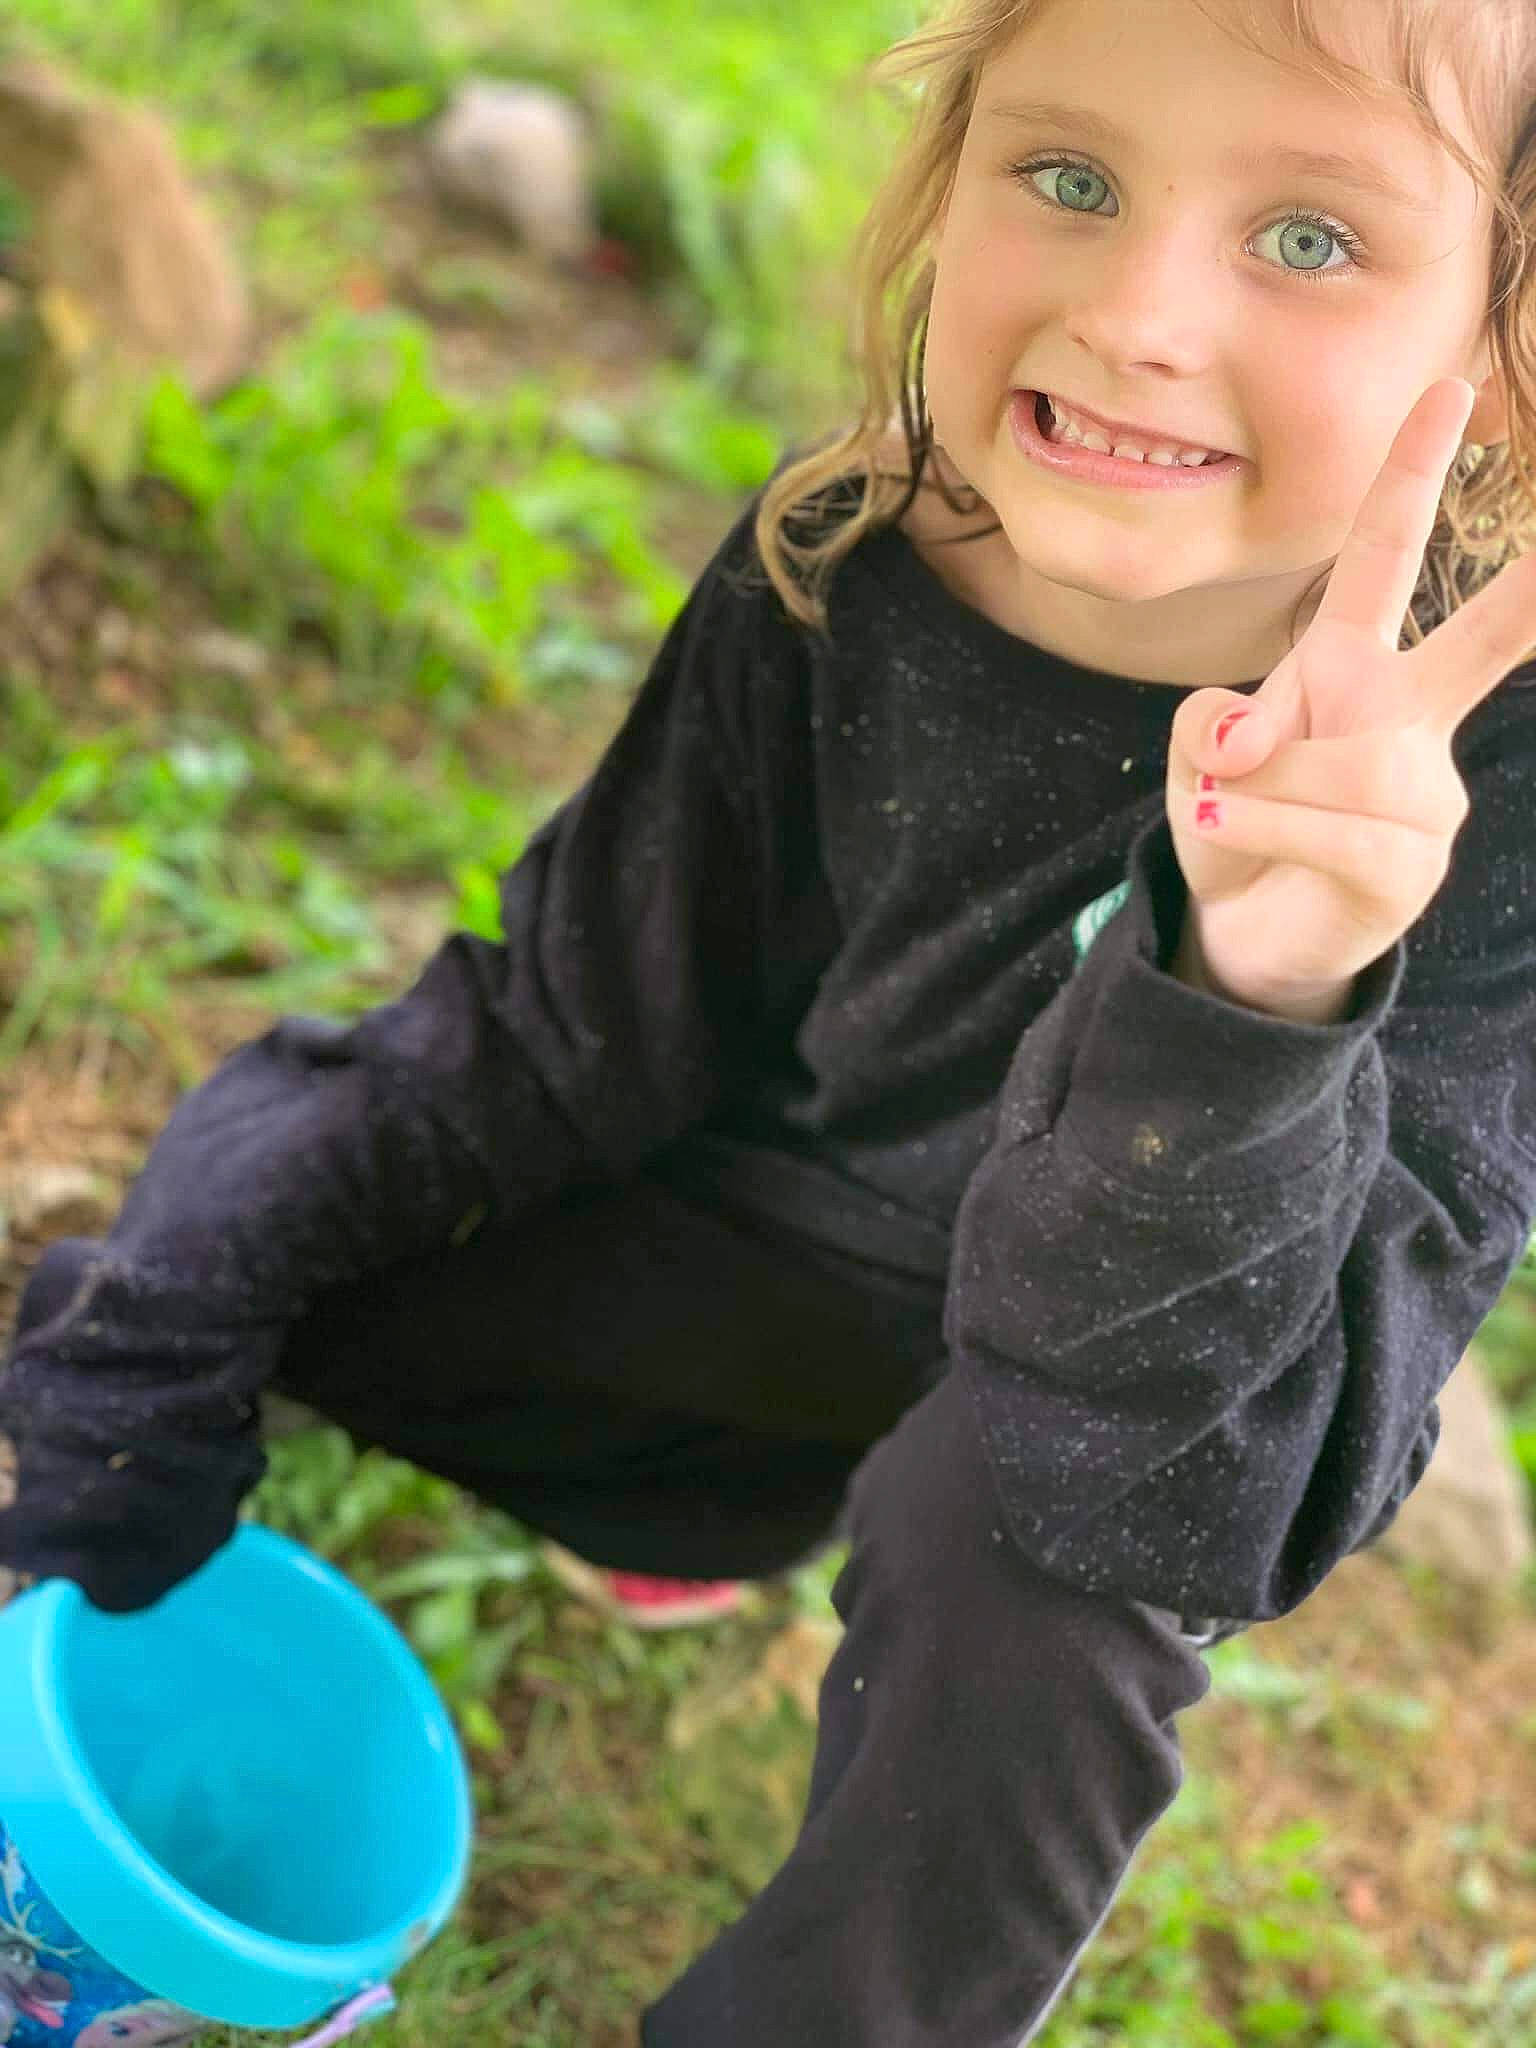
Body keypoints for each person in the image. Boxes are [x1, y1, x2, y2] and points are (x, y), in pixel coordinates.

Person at [5, 0, 1536, 2040]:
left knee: (1036, 1574)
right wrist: (148, 1357)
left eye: (1312, 239)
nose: (1139, 316)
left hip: (1121, 1408)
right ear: (947, 173)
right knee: (250, 1260)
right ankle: (676, 1502)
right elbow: (552, 1027)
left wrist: (1260, 992)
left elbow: (1203, 1499)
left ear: (1503, 349)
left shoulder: (1493, 800)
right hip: (769, 1302)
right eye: (1068, 179)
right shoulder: (848, 563)